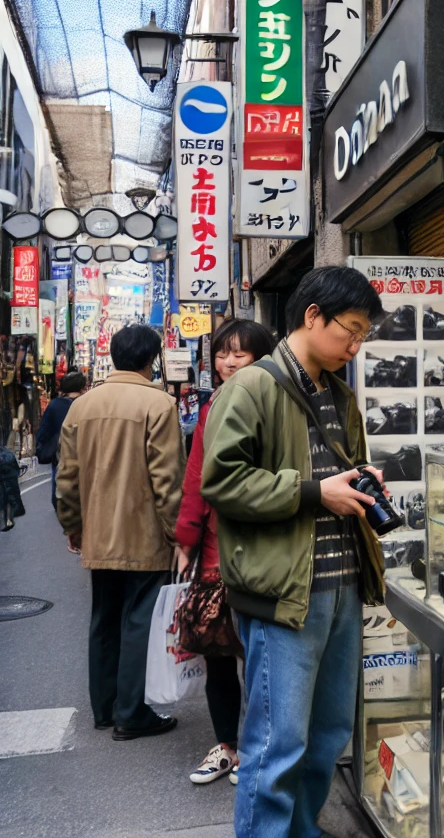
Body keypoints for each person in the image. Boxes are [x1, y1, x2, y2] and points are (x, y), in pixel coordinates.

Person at [203, 267, 387, 838]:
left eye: (363, 335)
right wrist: (314, 493)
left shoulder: (339, 393)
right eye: (350, 331)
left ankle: (302, 829)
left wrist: (358, 479)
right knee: (274, 741)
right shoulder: (250, 388)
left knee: (328, 735)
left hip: (341, 586)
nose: (355, 346)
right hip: (285, 594)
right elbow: (222, 482)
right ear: (312, 316)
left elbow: (336, 475)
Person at [57, 324, 185, 739]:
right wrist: (178, 533)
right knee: (138, 620)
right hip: (144, 533)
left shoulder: (81, 406)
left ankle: (105, 708)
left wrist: (73, 526)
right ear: (152, 359)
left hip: (98, 531)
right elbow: (167, 481)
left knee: (104, 618)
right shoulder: (159, 404)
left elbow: (67, 478)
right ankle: (132, 713)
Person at [175, 319, 276, 785]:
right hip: (217, 548)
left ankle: (257, 749)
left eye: (240, 353)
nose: (229, 362)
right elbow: (196, 477)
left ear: (262, 355)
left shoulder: (275, 399)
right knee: (217, 651)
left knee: (259, 653)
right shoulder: (212, 404)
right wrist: (187, 539)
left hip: (265, 546)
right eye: (222, 353)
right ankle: (227, 747)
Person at [37, 371, 87, 510]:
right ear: (83, 387)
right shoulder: (88, 404)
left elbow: (44, 431)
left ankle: (61, 506)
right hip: (84, 454)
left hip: (61, 454)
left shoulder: (54, 405)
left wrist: (43, 448)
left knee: (58, 484)